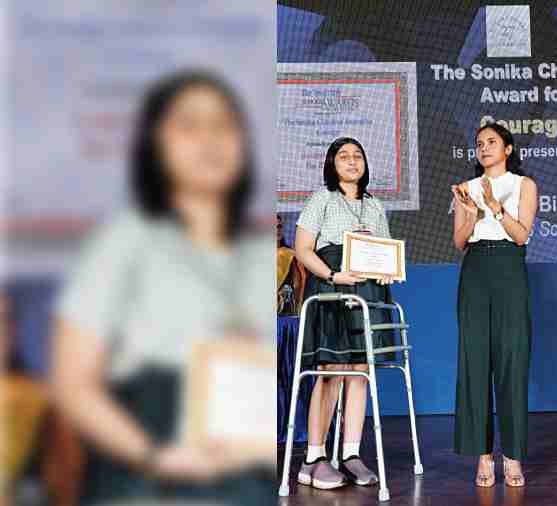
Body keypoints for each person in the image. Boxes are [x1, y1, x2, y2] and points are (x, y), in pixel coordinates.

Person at [51, 70, 273, 505]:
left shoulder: (261, 251)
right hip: (148, 477)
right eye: (189, 125)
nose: (210, 139)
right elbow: (72, 383)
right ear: (154, 143)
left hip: (252, 477)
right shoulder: (123, 241)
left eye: (224, 124)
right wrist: (153, 456)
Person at [293, 137, 397, 490]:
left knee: (359, 372)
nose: (352, 161)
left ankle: (350, 453)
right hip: (332, 286)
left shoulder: (375, 205)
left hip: (368, 291)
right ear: (332, 164)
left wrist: (387, 270)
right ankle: (314, 456)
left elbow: (385, 252)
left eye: (358, 156)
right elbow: (303, 249)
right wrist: (333, 274)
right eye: (344, 156)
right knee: (331, 372)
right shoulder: (322, 199)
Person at [450, 122, 538, 488]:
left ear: (508, 149)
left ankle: (512, 456)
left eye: (491, 142)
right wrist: (471, 214)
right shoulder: (465, 189)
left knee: (512, 360)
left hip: (509, 268)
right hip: (475, 270)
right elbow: (458, 242)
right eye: (479, 143)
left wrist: (495, 207)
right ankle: (483, 456)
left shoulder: (525, 185)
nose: (484, 148)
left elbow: (522, 236)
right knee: (475, 361)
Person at [277, 214, 306, 315]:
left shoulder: (290, 254)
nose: (277, 230)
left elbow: (299, 282)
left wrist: (299, 309)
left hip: (284, 311)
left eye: (279, 226)